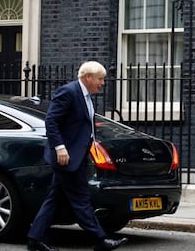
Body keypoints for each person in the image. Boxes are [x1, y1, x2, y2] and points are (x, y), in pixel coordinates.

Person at [27, 61, 128, 251]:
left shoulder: (85, 95)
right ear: (88, 77)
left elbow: (83, 125)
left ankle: (35, 238)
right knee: (81, 198)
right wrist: (60, 148)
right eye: (100, 79)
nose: (103, 83)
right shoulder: (69, 92)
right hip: (66, 157)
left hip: (76, 156)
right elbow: (51, 121)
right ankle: (100, 240)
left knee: (55, 198)